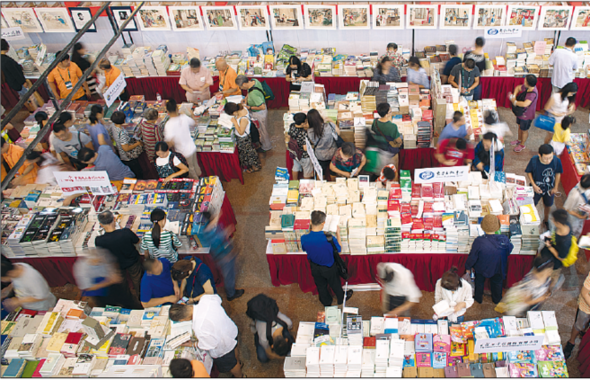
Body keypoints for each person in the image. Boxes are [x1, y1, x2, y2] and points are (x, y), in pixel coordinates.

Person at [169, 297, 244, 377]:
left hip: (223, 347)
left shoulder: (200, 328)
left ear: (184, 319)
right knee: (233, 349)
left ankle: (240, 376)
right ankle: (238, 362)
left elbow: (210, 345)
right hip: (229, 330)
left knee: (231, 365)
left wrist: (194, 344)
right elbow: (218, 298)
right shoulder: (206, 299)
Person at [301, 211, 353, 306]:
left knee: (321, 286)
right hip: (329, 267)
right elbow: (339, 250)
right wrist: (338, 234)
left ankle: (326, 302)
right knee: (335, 284)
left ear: (310, 222)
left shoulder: (304, 238)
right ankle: (341, 299)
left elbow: (304, 248)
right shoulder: (329, 238)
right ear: (323, 223)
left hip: (314, 267)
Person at [195, 212, 244, 301]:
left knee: (229, 274)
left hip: (221, 256)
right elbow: (219, 244)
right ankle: (231, 294)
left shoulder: (206, 230)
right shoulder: (211, 233)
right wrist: (229, 254)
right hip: (224, 257)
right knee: (229, 275)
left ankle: (230, 291)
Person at [465, 215, 513, 304]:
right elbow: (509, 249)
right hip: (498, 268)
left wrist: (468, 267)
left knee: (479, 282)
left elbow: (473, 256)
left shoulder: (479, 241)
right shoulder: (504, 239)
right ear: (498, 226)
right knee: (497, 284)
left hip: (481, 268)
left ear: (482, 227)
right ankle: (497, 299)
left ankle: (478, 298)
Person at [73, 248, 142, 309]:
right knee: (108, 307)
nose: (100, 262)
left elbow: (112, 262)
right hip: (99, 291)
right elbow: (89, 287)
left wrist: (114, 272)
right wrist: (110, 281)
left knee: (128, 300)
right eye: (97, 261)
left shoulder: (101, 253)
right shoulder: (81, 269)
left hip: (113, 284)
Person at [94, 210, 143, 296]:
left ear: (101, 224)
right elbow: (137, 241)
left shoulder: (99, 240)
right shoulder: (125, 232)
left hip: (116, 265)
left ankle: (126, 297)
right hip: (132, 261)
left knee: (121, 283)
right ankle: (140, 295)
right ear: (114, 219)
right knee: (137, 279)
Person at [525, 144, 563, 229]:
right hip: (536, 189)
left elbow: (558, 173)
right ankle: (529, 221)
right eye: (546, 158)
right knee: (531, 205)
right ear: (539, 155)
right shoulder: (534, 161)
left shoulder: (556, 161)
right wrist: (534, 185)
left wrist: (556, 187)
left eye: (550, 157)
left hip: (549, 189)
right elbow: (529, 172)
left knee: (548, 205)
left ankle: (546, 220)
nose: (549, 160)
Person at [247, 294, 293, 363]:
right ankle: (255, 332)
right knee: (263, 358)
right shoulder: (263, 337)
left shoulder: (286, 322)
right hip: (262, 329)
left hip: (269, 327)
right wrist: (280, 357)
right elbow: (269, 353)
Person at [164, 99, 201, 180]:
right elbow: (194, 123)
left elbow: (170, 143)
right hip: (191, 146)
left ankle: (197, 182)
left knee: (190, 169)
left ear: (167, 110)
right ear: (177, 108)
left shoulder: (168, 125)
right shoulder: (183, 117)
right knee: (195, 165)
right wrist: (191, 113)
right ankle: (199, 176)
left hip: (183, 151)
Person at [235, 75, 272, 152]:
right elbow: (250, 90)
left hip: (259, 113)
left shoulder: (253, 94)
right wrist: (246, 98)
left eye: (240, 86)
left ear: (244, 84)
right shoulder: (254, 81)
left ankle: (266, 146)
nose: (240, 88)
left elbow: (262, 107)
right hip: (259, 108)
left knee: (262, 130)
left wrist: (250, 108)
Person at [225, 102, 261, 174]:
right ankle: (253, 166)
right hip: (243, 138)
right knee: (248, 153)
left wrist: (235, 123)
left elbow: (241, 132)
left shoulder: (243, 119)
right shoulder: (241, 109)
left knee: (248, 154)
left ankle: (254, 167)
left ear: (234, 112)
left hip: (243, 139)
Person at [1, 39, 35, 111]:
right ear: (7, 47)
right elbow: (15, 73)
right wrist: (23, 82)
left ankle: (31, 109)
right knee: (28, 97)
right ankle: (33, 109)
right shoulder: (7, 61)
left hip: (10, 83)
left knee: (24, 98)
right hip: (17, 84)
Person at [563, 270, 590, 359]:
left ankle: (584, 335)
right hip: (586, 306)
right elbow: (584, 292)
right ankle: (571, 342)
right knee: (579, 325)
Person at [541, 209, 572, 284]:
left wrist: (549, 246)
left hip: (554, 263)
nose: (552, 221)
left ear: (558, 223)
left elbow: (561, 258)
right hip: (549, 254)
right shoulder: (566, 225)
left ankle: (549, 290)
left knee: (552, 278)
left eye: (553, 220)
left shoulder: (565, 242)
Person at [509, 74, 539, 153]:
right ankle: (519, 140)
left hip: (527, 115)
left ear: (528, 83)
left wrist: (514, 101)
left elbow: (525, 104)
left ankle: (522, 144)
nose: (524, 82)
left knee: (524, 130)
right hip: (521, 113)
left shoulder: (532, 94)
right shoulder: (527, 87)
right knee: (519, 127)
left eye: (525, 81)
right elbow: (518, 88)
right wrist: (514, 95)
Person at [110, 111, 144, 179]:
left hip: (121, 154)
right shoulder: (121, 133)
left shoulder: (113, 126)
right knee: (137, 172)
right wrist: (137, 143)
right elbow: (126, 148)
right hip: (128, 156)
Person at [307, 109, 340, 178]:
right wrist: (330, 120)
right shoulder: (329, 126)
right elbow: (338, 133)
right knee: (333, 171)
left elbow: (313, 142)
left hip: (320, 155)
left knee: (321, 172)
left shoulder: (309, 131)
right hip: (332, 153)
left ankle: (321, 185)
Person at [371, 102, 402, 170]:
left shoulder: (375, 122)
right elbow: (398, 140)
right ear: (387, 113)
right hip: (390, 150)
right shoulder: (392, 126)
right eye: (390, 111)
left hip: (379, 147)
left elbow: (373, 131)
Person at [286, 112, 312, 179]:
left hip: (295, 152)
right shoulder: (303, 132)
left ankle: (294, 182)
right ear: (302, 123)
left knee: (296, 166)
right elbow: (305, 148)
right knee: (307, 169)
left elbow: (288, 136)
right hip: (303, 155)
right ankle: (306, 184)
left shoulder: (292, 125)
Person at [564, 174, 590, 238]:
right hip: (574, 217)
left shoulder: (585, 187)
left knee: (578, 231)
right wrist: (580, 216)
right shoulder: (574, 195)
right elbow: (567, 209)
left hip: (582, 214)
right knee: (572, 232)